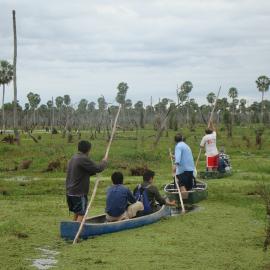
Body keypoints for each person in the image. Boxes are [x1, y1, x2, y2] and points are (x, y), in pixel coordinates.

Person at [66, 140, 108, 222]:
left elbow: (84, 172)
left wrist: (94, 172)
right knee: (82, 213)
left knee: (77, 211)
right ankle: (76, 231)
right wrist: (104, 162)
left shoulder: (74, 158)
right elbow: (98, 168)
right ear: (88, 149)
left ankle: (72, 228)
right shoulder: (83, 159)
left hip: (70, 191)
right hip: (78, 193)